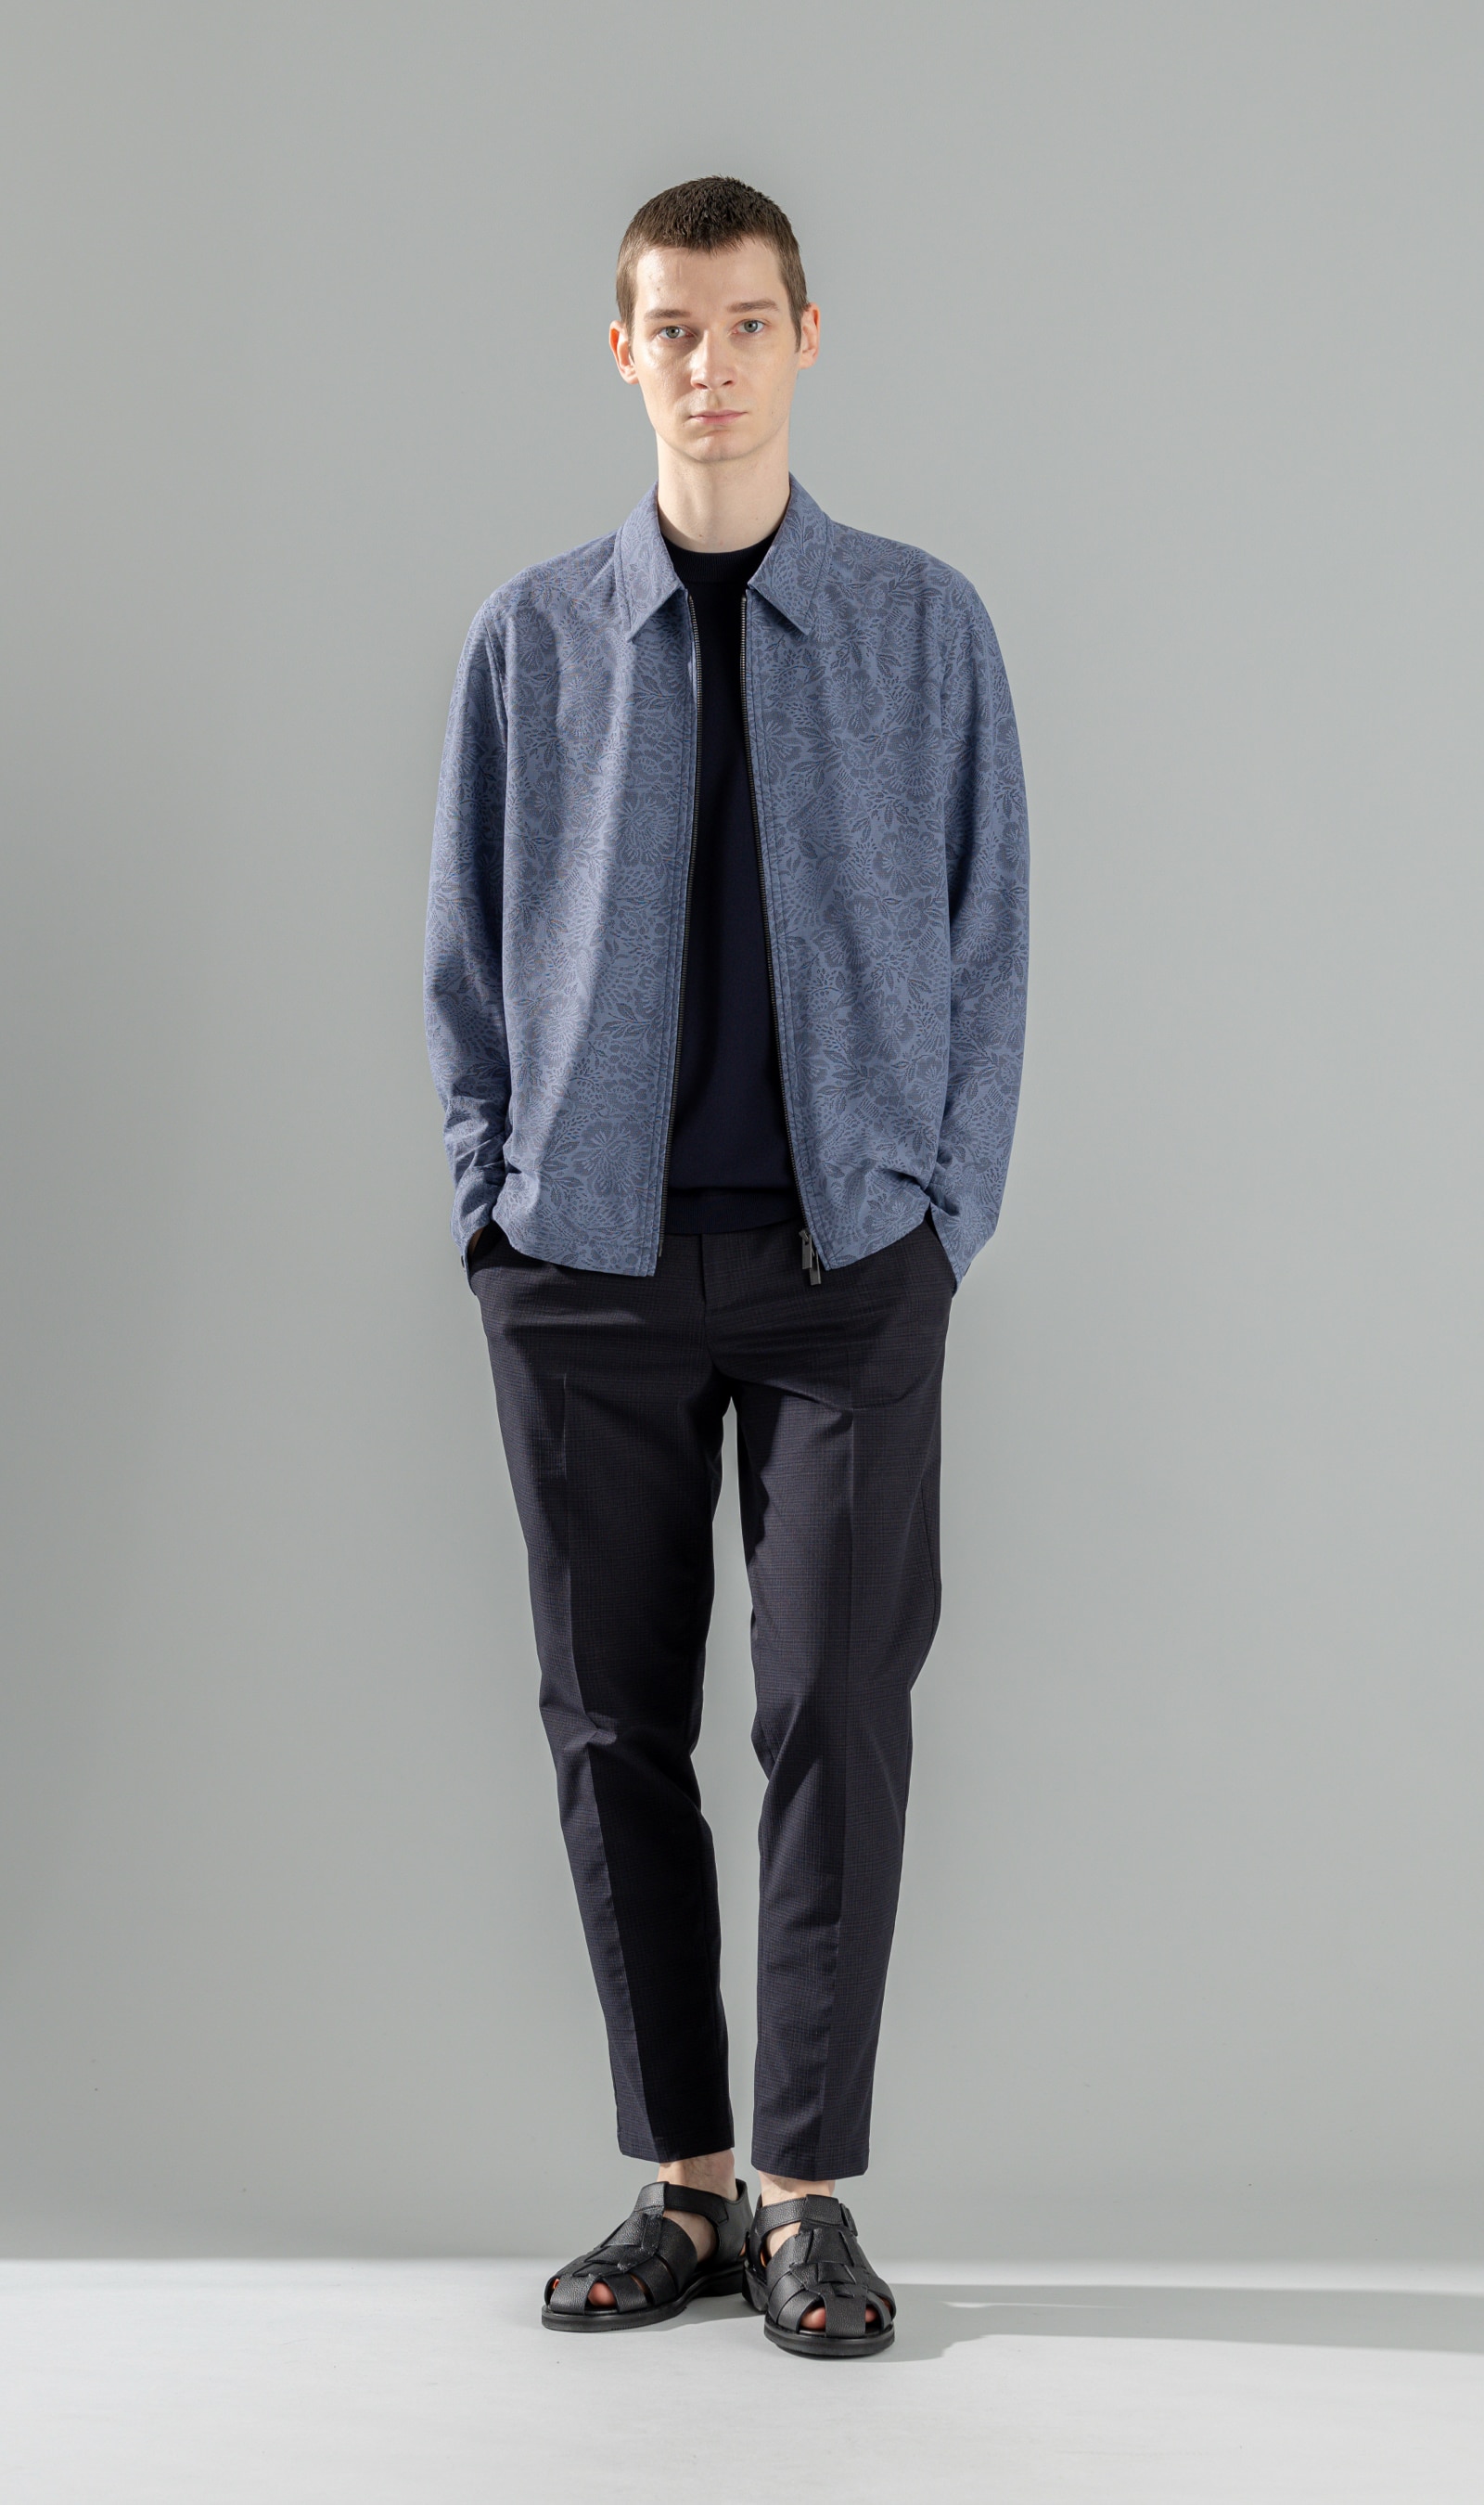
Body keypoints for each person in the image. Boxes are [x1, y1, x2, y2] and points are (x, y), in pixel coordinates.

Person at [425, 173, 1028, 2358]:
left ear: (802, 340)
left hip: (845, 1261)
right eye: (670, 329)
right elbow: (464, 953)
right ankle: (678, 2186)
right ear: (623, 354)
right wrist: (491, 1202)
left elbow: (988, 933)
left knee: (830, 1706)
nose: (708, 365)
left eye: (744, 323)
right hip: (581, 1262)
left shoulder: (919, 625)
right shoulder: (531, 639)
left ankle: (803, 2199)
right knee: (611, 1721)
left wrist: (941, 1206)